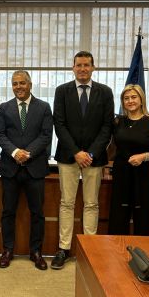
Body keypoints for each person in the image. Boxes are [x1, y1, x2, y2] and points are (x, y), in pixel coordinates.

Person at [52, 50, 114, 270]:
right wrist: (76, 152)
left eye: (87, 65)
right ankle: (64, 248)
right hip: (68, 156)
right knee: (66, 203)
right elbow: (59, 124)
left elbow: (107, 127)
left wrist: (91, 154)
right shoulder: (62, 91)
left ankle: (90, 249)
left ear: (93, 67)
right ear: (73, 67)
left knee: (91, 204)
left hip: (94, 159)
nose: (83, 69)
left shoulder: (105, 92)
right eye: (79, 65)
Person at [0, 71, 53, 270]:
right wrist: (15, 152)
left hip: (34, 167)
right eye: (15, 83)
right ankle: (7, 250)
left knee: (37, 213)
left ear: (30, 84)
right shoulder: (4, 108)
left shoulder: (44, 107)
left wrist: (27, 153)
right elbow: (0, 134)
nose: (18, 86)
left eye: (22, 83)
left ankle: (36, 251)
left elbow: (46, 136)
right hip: (10, 168)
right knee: (8, 212)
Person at [107, 84, 149, 236]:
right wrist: (106, 167)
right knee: (118, 216)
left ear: (141, 99)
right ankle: (117, 254)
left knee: (142, 215)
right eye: (126, 98)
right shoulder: (117, 121)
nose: (130, 101)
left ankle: (141, 256)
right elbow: (112, 147)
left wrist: (144, 156)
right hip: (121, 173)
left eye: (134, 97)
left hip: (144, 173)